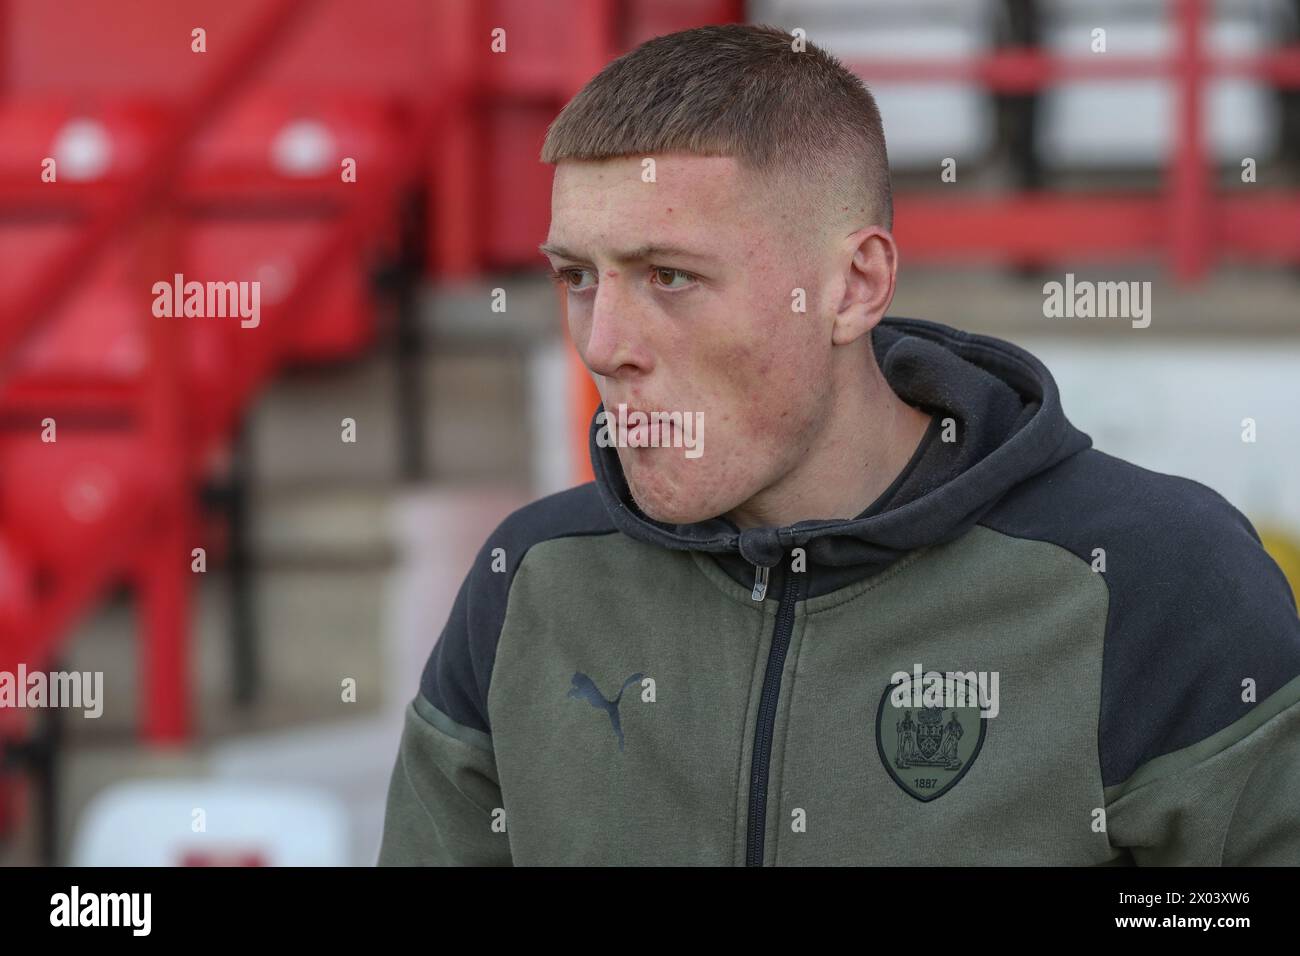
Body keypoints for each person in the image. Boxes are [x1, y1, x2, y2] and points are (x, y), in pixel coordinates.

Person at [378, 23, 1300, 866]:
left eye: (670, 275)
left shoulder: (1156, 578)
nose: (603, 343)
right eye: (577, 276)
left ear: (855, 286)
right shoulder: (532, 582)